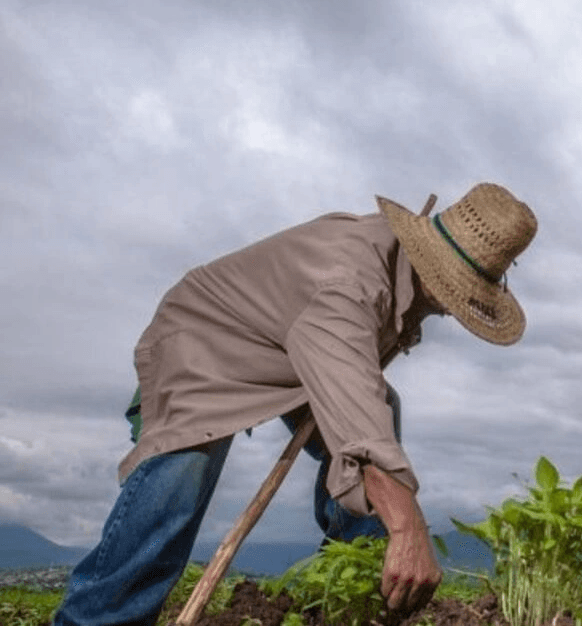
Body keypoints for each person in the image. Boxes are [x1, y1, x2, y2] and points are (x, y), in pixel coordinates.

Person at [54, 183, 537, 626]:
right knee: (183, 471)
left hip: (286, 351)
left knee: (381, 407)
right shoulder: (350, 283)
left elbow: (362, 401)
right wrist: (408, 527)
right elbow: (361, 426)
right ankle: (98, 618)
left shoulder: (396, 273)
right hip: (202, 343)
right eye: (455, 292)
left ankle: (353, 593)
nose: (454, 307)